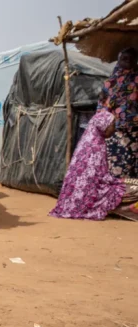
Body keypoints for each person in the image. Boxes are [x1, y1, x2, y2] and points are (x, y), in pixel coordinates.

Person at [50, 110, 125, 220]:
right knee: (123, 188)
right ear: (103, 125)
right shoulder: (96, 147)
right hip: (88, 195)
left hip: (73, 197)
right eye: (112, 125)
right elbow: (99, 178)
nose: (114, 129)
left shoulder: (87, 142)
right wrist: (118, 181)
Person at [99, 47, 138, 179]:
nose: (128, 61)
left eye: (131, 59)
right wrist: (103, 126)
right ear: (119, 60)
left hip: (135, 131)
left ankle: (132, 196)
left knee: (133, 164)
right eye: (124, 58)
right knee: (116, 163)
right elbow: (102, 104)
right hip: (114, 131)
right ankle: (118, 195)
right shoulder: (110, 82)